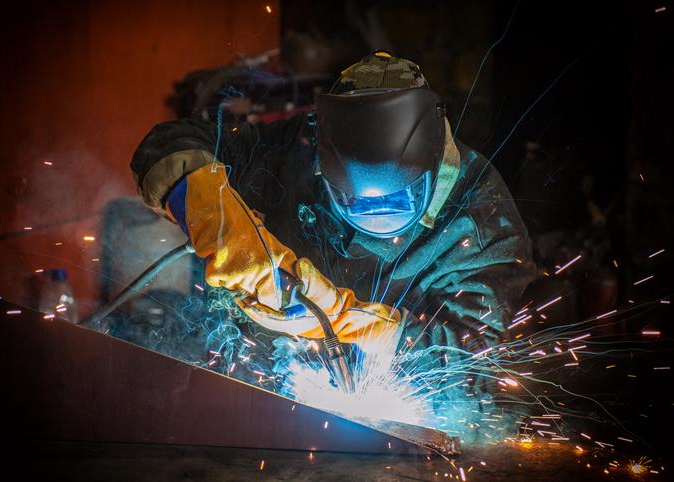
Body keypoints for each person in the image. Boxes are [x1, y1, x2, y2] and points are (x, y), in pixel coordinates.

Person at [131, 51, 535, 360]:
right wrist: (217, 223)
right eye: (353, 199)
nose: (375, 212)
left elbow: (474, 367)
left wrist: (362, 326)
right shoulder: (298, 146)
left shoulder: (482, 217)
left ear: (431, 164)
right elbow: (170, 143)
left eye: (398, 198)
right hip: (271, 378)